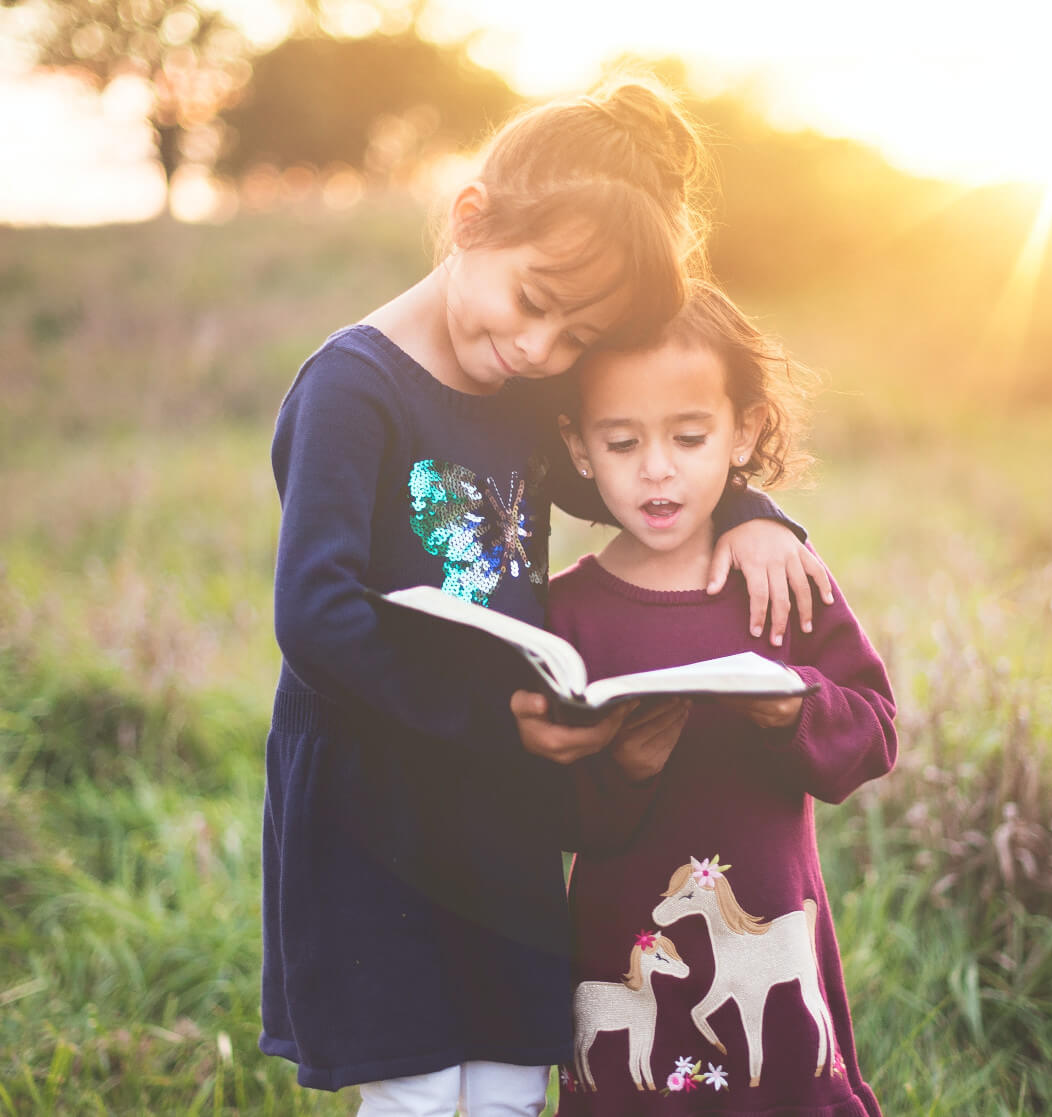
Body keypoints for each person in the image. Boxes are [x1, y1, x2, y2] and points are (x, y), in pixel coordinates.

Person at [260, 78, 831, 1117]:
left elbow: (631, 486)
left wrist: (750, 509)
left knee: (516, 1080)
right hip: (378, 807)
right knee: (419, 1088)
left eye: (576, 339)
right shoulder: (353, 389)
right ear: (470, 219)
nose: (540, 351)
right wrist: (493, 718)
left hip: (500, 810)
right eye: (533, 303)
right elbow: (314, 613)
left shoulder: (522, 398)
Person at [550, 280, 898, 1116]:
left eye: (690, 435)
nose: (657, 466)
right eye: (622, 440)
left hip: (772, 929)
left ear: (741, 431)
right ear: (578, 445)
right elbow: (547, 810)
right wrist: (620, 768)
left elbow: (875, 731)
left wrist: (795, 709)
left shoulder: (778, 579)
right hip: (621, 937)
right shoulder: (565, 612)